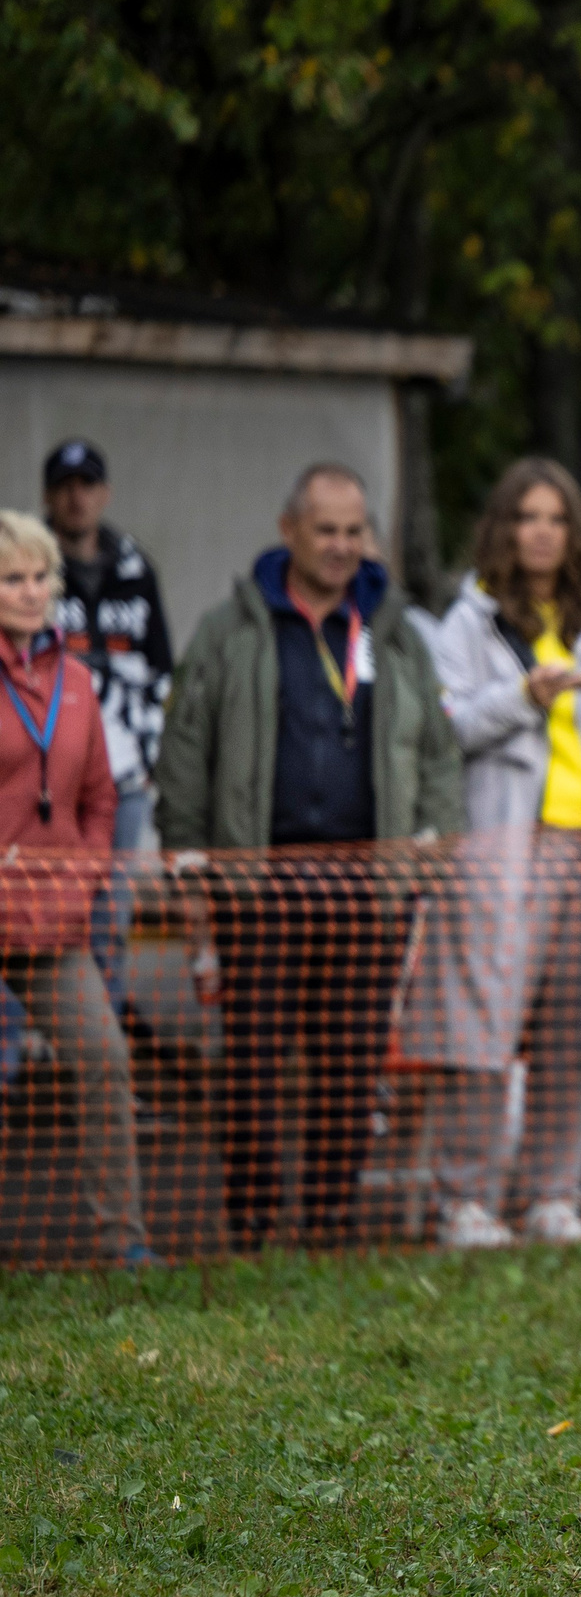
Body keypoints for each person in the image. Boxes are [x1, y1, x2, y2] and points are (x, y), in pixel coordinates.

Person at [156, 464, 463, 1251]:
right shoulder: (230, 628)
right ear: (289, 529)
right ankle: (252, 1219)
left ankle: (329, 1217)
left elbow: (436, 749)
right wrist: (187, 856)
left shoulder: (395, 633)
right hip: (259, 881)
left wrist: (433, 838)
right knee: (254, 1056)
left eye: (354, 531)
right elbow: (187, 748)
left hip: (370, 884)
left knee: (351, 1056)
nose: (341, 546)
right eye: (325, 530)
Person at [401, 458, 581, 1249]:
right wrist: (525, 697)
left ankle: (555, 1195)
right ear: (504, 529)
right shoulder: (469, 620)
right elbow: (443, 727)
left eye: (554, 518)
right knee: (480, 1024)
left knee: (576, 1028)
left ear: (572, 532)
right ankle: (468, 1203)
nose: (540, 531)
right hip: (503, 845)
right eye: (526, 517)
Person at [0, 510, 152, 1264]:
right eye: (12, 579)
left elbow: (102, 798)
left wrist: (84, 870)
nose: (29, 593)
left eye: (39, 578)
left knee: (104, 1057)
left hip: (50, 922)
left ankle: (120, 1241)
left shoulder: (79, 682)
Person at [41, 440, 171, 854]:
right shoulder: (27, 574)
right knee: (52, 903)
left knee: (113, 910)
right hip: (49, 773)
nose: (76, 497)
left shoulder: (137, 571)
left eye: (87, 484)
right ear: (47, 497)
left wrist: (149, 752)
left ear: (105, 493)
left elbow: (161, 668)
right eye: (65, 486)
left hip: (125, 772)